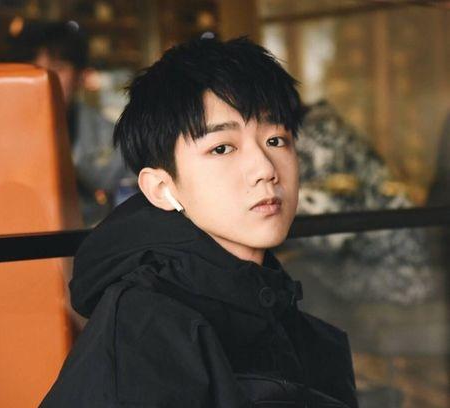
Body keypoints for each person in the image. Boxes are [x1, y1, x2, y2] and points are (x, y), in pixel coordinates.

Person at [41, 37, 358, 407]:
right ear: (161, 189)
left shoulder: (267, 296)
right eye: (222, 148)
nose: (265, 169)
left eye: (276, 140)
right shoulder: (145, 329)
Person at [10, 22, 132, 226]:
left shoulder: (110, 135)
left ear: (80, 77)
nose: (44, 78)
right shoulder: (0, 133)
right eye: (34, 68)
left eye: (57, 68)